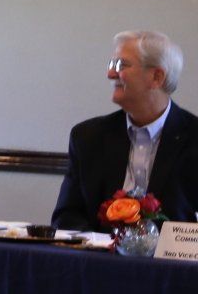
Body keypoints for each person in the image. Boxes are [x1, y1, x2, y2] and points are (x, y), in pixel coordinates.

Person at [51, 29, 198, 230]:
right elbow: (67, 217)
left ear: (156, 77)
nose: (110, 73)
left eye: (121, 65)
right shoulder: (87, 137)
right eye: (112, 64)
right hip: (99, 259)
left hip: (172, 261)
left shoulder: (193, 138)